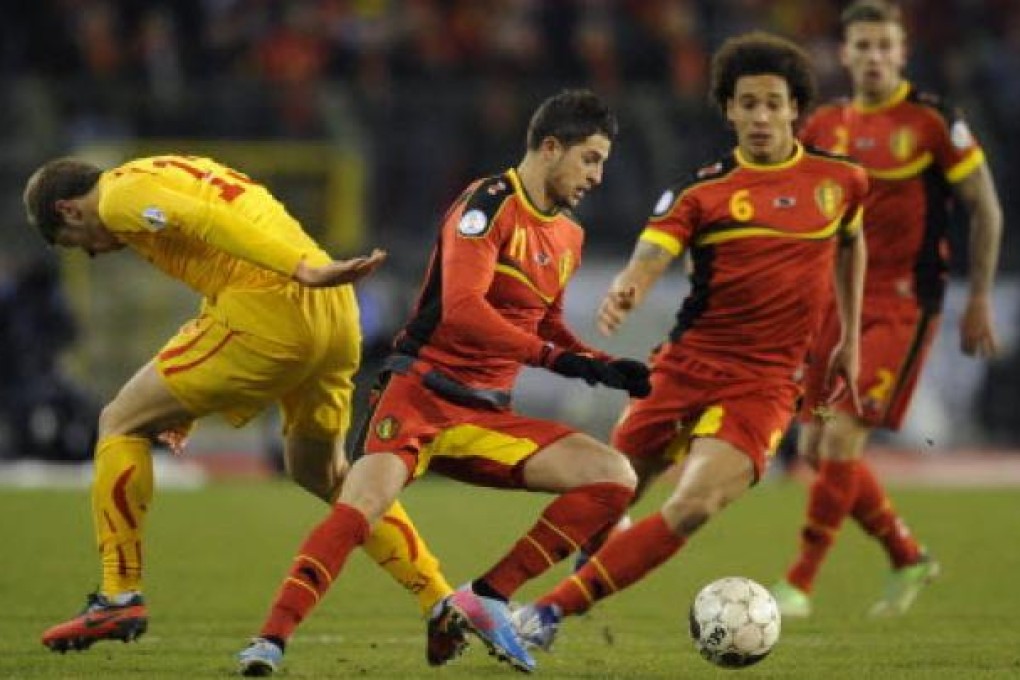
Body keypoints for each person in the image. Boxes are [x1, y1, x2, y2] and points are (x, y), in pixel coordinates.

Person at [235, 89, 651, 676]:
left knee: (614, 477)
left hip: (487, 416)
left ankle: (486, 596)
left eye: (603, 162)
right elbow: (462, 310)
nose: (599, 176)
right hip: (421, 396)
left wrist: (599, 362)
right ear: (551, 147)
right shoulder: (486, 204)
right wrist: (559, 362)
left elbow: (546, 322)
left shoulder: (569, 236)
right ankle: (269, 643)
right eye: (591, 159)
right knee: (359, 509)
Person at [510, 32, 868, 649]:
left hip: (767, 383)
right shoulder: (702, 191)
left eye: (772, 103)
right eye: (747, 103)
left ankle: (543, 614)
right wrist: (628, 286)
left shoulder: (842, 183)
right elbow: (655, 251)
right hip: (685, 366)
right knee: (611, 489)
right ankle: (531, 584)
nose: (760, 115)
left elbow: (852, 244)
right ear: (728, 109)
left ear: (795, 109)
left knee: (695, 504)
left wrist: (850, 337)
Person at [23, 154, 458, 654]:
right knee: (326, 475)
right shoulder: (165, 170)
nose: (93, 254)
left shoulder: (118, 199)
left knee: (119, 422)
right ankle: (440, 599)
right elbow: (227, 238)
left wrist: (300, 269)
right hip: (333, 314)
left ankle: (119, 594)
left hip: (275, 303)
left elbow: (214, 223)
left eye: (75, 244)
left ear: (69, 211)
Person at [770, 0, 1002, 619]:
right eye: (862, 46)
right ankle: (908, 556)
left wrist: (978, 296)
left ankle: (799, 584)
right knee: (817, 449)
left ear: (902, 52)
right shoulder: (821, 126)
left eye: (884, 46)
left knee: (843, 435)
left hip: (901, 302)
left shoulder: (932, 122)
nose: (873, 56)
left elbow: (986, 207)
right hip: (832, 303)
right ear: (844, 54)